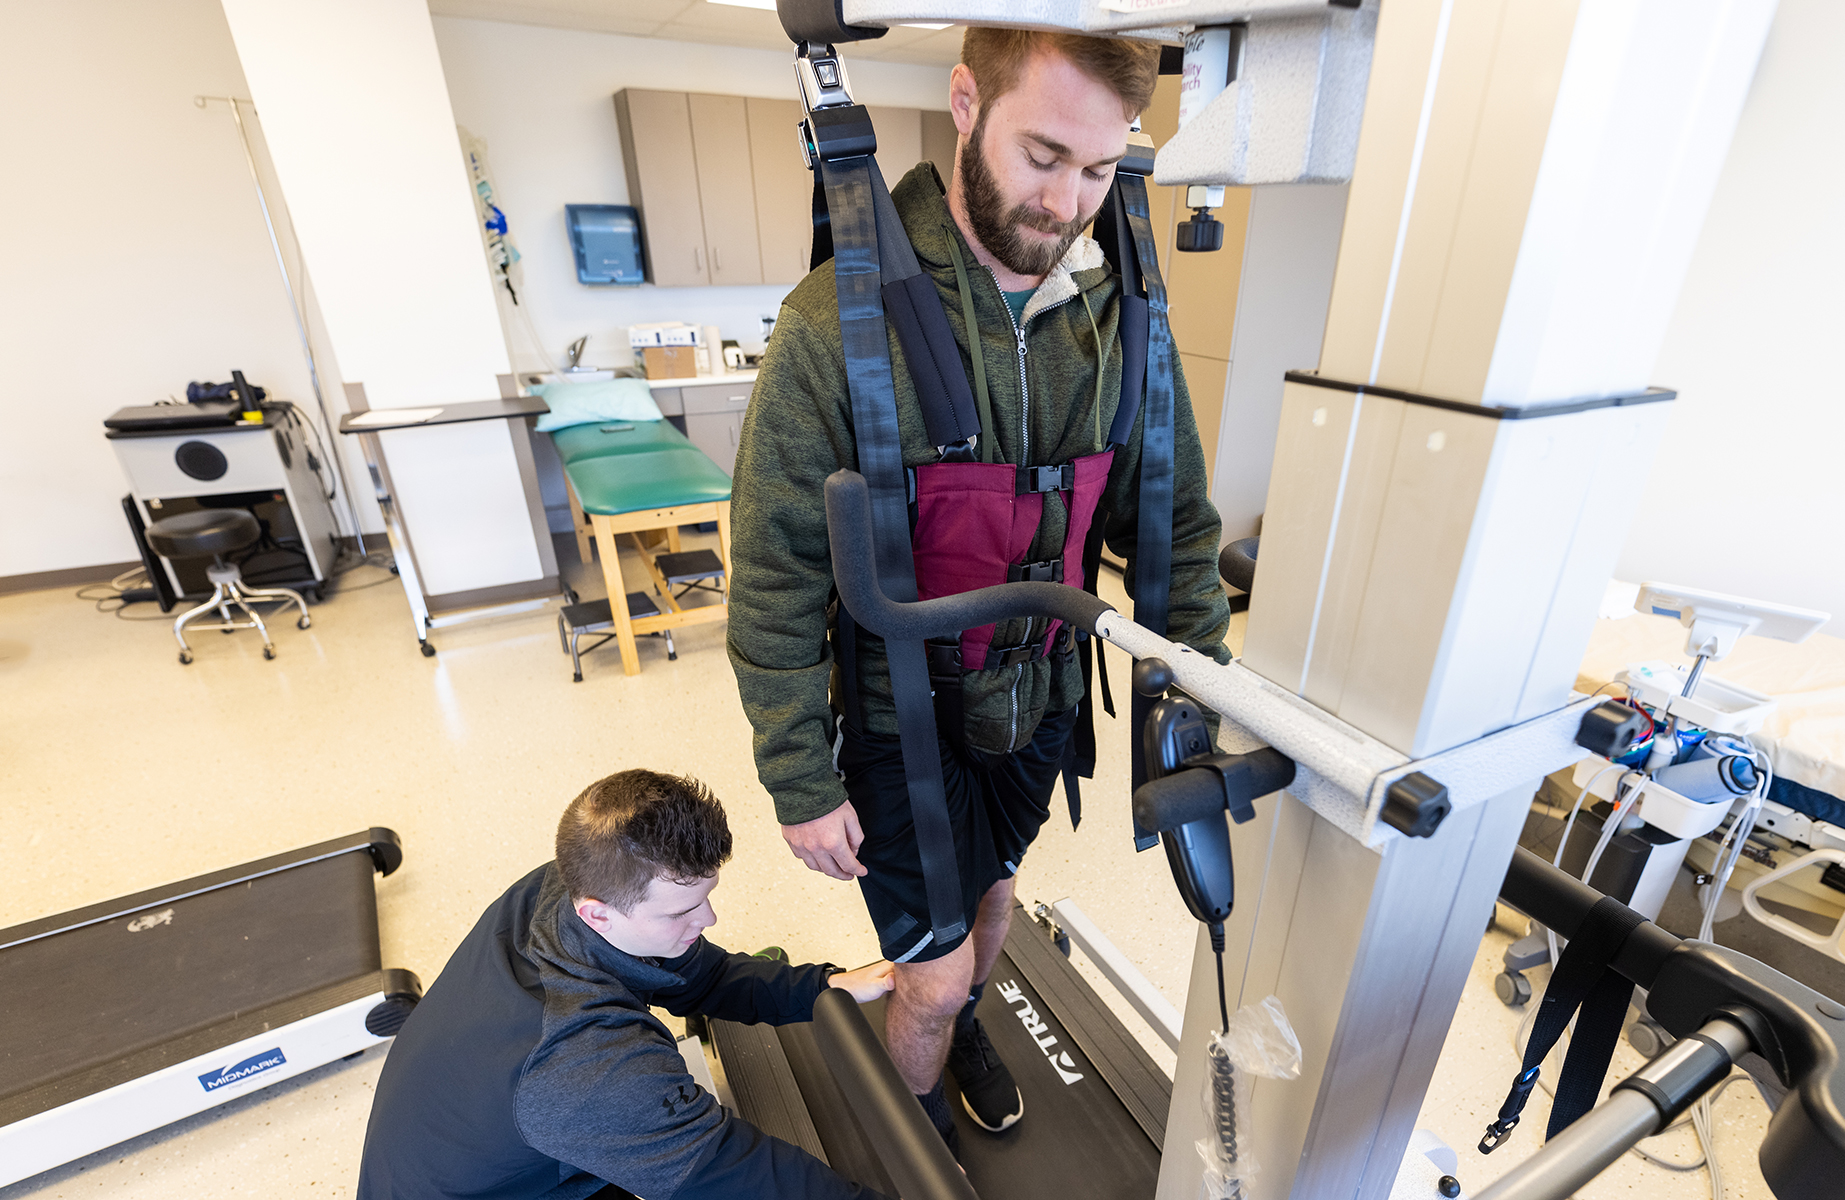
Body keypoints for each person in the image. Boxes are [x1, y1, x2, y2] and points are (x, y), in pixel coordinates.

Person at [727, 27, 1231, 1148]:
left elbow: (1177, 523)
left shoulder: (1122, 318)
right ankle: (902, 1144)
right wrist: (800, 776)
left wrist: (1201, 703)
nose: (1068, 202)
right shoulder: (832, 326)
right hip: (898, 714)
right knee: (935, 972)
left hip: (1041, 701)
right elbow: (773, 576)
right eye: (1044, 155)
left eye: (1100, 171)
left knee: (996, 893)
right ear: (965, 102)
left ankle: (959, 1024)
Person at [357, 769, 896, 1200]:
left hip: (461, 1139)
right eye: (682, 911)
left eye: (706, 896)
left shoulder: (562, 884)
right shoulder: (592, 1069)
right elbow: (737, 1172)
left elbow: (698, 974)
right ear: (599, 916)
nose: (708, 919)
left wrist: (823, 986)